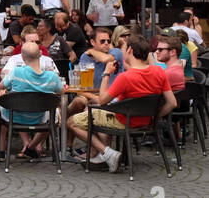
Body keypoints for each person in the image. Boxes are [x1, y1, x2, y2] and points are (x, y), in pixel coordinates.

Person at [67, 35, 174, 173]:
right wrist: (154, 116)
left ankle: (107, 153)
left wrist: (106, 74)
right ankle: (102, 155)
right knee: (95, 114)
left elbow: (102, 100)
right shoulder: (159, 71)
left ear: (129, 50)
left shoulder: (126, 77)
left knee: (71, 122)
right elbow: (172, 102)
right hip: (146, 121)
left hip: (123, 120)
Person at [0, 42, 63, 160]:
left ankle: (1, 152)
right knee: (53, 114)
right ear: (40, 54)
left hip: (15, 117)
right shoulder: (52, 77)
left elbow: (1, 86)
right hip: (39, 118)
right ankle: (31, 147)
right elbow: (61, 91)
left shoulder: (16, 72)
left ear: (22, 57)